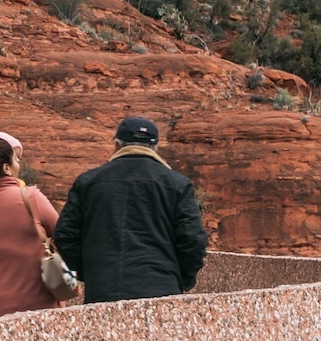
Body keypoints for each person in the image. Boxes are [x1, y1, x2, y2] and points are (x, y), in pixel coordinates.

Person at [53, 117, 209, 304]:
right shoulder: (178, 184)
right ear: (155, 148)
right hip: (163, 292)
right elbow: (194, 241)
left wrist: (92, 272)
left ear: (117, 146)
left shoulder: (88, 183)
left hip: (103, 291)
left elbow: (65, 236)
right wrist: (180, 278)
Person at [0, 123, 64, 318]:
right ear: (6, 168)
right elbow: (65, 235)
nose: (19, 165)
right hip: (40, 315)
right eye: (16, 159)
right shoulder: (31, 198)